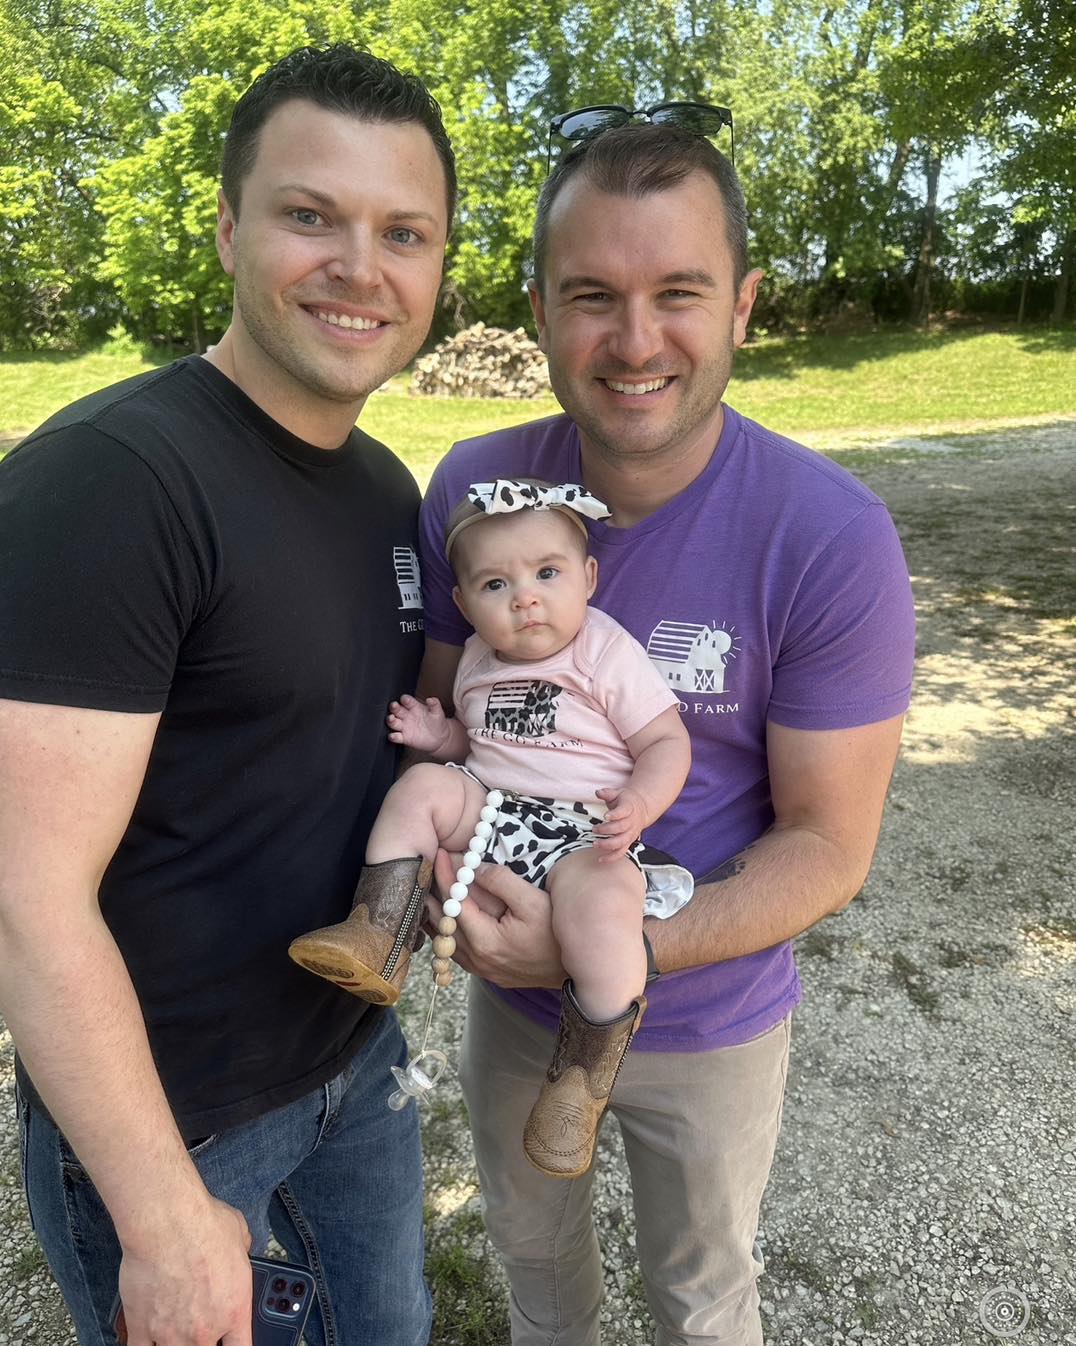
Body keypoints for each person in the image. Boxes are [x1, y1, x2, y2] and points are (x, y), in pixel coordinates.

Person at [415, 117, 916, 1344]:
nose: (634, 342)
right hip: (513, 1012)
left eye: (677, 292)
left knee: (700, 1299)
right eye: (591, 295)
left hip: (711, 1023)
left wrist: (600, 953)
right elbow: (452, 727)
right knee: (538, 1279)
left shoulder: (829, 536)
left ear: (743, 304)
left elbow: (826, 844)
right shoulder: (470, 497)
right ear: (537, 308)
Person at [0, 44, 454, 1346]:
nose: (360, 266)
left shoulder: (385, 491)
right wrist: (159, 1214)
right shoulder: (111, 483)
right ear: (227, 230)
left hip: (351, 1071)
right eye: (311, 215)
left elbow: (345, 761)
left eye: (402, 232)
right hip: (182, 1132)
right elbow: (25, 890)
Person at [288, 477, 692, 1178]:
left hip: (583, 831)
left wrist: (642, 804)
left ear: (588, 578)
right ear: (464, 603)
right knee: (419, 787)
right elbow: (475, 748)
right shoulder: (475, 658)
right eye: (495, 584)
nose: (524, 597)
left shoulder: (601, 650)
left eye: (545, 574)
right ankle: (378, 929)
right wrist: (438, 737)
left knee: (603, 913)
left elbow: (666, 741)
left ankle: (581, 1078)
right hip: (495, 811)